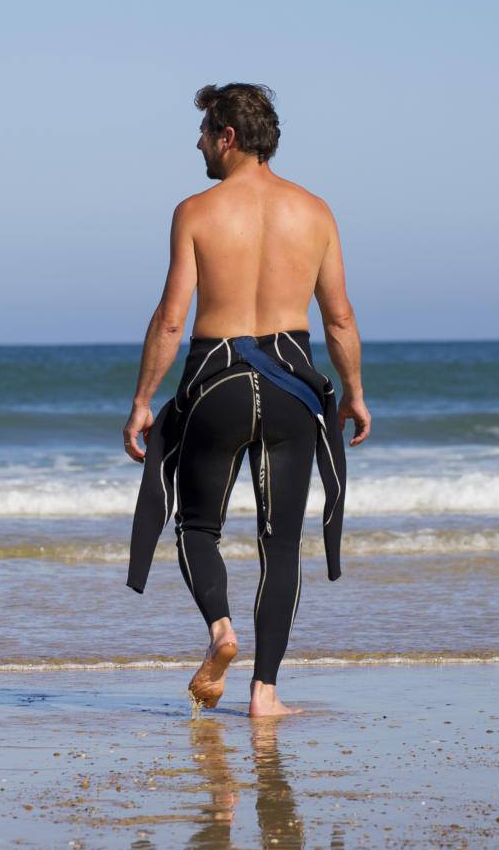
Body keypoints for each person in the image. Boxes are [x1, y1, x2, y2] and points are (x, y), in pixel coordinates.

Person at [125, 83, 370, 718]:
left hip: (218, 384)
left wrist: (143, 401)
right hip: (293, 389)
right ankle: (265, 694)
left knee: (198, 526)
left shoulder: (196, 211)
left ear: (228, 137)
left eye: (205, 131)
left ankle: (219, 631)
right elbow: (339, 320)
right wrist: (353, 396)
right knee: (279, 545)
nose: (199, 143)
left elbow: (172, 321)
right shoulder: (315, 212)